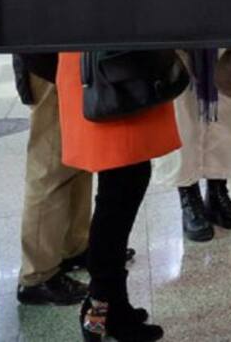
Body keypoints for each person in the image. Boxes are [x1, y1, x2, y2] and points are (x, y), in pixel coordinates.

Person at [57, 51, 179, 342]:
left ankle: (109, 302)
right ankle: (102, 304)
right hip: (106, 70)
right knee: (119, 188)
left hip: (114, 66)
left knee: (124, 183)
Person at [14, 53, 92, 306]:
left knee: (80, 160)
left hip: (72, 58)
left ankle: (74, 246)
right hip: (46, 61)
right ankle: (37, 274)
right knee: (50, 166)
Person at [155, 50, 231, 243]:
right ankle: (189, 198)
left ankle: (218, 193)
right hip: (177, 36)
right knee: (182, 115)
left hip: (221, 31)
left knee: (226, 111)